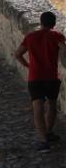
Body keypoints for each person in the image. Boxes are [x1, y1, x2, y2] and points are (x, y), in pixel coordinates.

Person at [15, 11, 66, 151]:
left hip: (35, 77)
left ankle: (43, 141)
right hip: (51, 77)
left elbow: (17, 54)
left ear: (41, 22)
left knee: (38, 108)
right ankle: (49, 131)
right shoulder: (57, 36)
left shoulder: (30, 37)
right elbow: (64, 49)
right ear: (54, 23)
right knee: (52, 104)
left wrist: (28, 65)